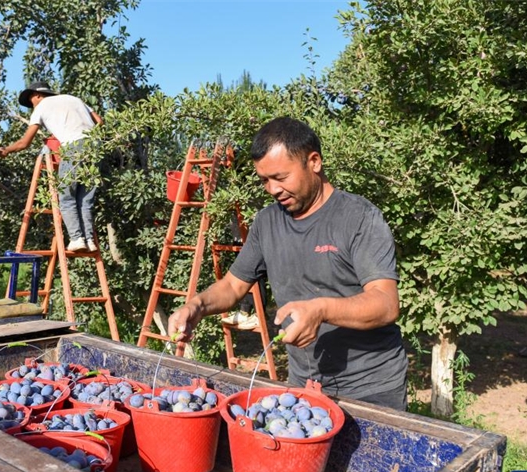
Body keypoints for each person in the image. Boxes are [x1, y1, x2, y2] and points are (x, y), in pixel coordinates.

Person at [168, 117, 408, 410]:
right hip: (305, 387)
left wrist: (321, 310)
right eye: (264, 181)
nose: (272, 189)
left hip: (370, 390)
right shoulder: (268, 222)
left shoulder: (359, 218)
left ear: (314, 162)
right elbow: (233, 285)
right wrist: (196, 306)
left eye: (281, 178)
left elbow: (385, 303)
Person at [0, 80, 103, 252]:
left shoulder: (41, 107)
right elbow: (100, 121)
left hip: (74, 146)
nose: (31, 106)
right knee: (85, 199)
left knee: (66, 196)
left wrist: (6, 150)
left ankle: (77, 238)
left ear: (37, 95)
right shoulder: (74, 99)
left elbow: (24, 143)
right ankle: (89, 240)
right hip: (96, 148)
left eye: (31, 100)